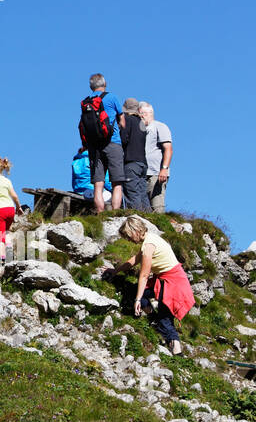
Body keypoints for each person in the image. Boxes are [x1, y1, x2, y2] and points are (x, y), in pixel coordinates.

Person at [103, 216, 195, 356]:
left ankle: (177, 351)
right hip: (167, 278)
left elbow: (144, 275)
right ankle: (154, 320)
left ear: (134, 231)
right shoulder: (150, 238)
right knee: (135, 291)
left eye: (128, 236)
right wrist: (115, 271)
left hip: (173, 282)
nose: (128, 240)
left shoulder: (148, 246)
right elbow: (135, 259)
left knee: (165, 317)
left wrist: (138, 300)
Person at [79, 73, 124, 212]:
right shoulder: (112, 97)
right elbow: (122, 121)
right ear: (105, 84)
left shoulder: (86, 102)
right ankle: (115, 214)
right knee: (117, 182)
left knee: (98, 183)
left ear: (91, 86)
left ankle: (100, 212)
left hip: (94, 147)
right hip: (113, 143)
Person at [140, 102, 174, 213]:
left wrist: (164, 169)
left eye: (141, 113)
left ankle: (161, 227)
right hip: (141, 173)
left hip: (156, 173)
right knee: (142, 208)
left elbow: (168, 148)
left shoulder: (160, 126)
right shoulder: (140, 129)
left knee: (157, 206)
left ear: (147, 113)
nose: (140, 116)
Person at [119, 96, 151, 211]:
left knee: (132, 194)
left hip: (131, 162)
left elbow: (124, 139)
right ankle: (149, 219)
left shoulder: (127, 120)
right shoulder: (142, 123)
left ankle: (136, 218)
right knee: (143, 194)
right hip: (142, 163)